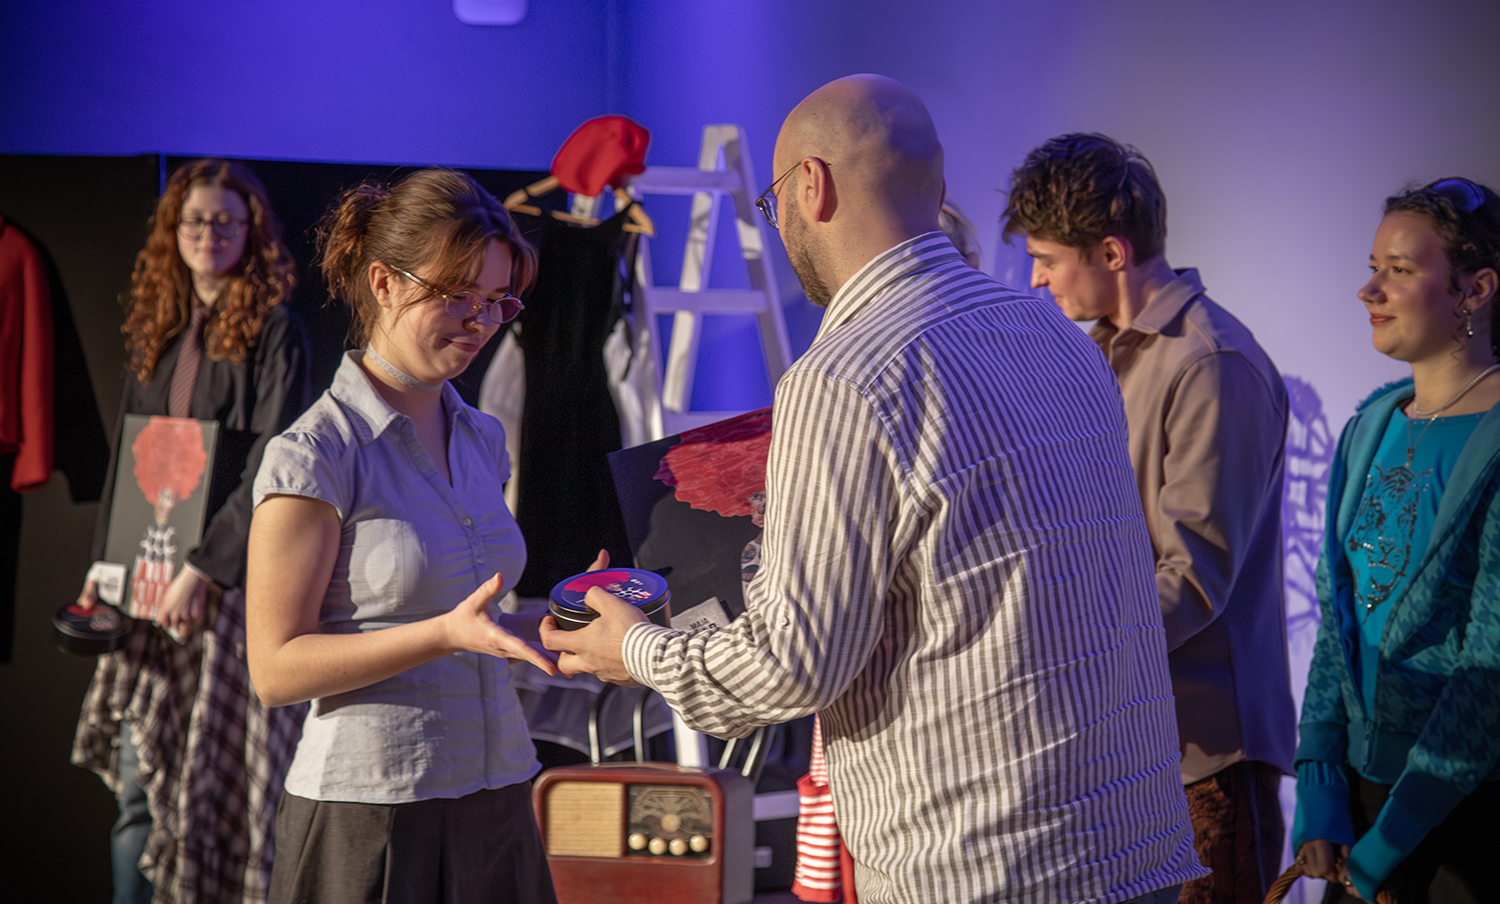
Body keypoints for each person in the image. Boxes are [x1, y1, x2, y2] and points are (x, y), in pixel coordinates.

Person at [543, 74, 1207, 904]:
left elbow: (791, 665)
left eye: (772, 204)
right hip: (1129, 843)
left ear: (811, 186)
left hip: (981, 868)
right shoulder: (1060, 338)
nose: (780, 226)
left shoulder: (843, 378)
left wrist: (635, 648)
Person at [246, 168, 583, 904]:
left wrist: (553, 627)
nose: (480, 321)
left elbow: (471, 618)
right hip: (372, 807)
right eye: (457, 294)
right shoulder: (316, 454)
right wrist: (443, 635)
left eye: (497, 300)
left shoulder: (483, 438)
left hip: (498, 791)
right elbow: (274, 670)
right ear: (383, 283)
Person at [1003, 133, 1296, 904]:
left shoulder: (1211, 362)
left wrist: (1066, 655)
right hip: (1129, 742)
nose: (1035, 279)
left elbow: (1193, 577)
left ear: (1110, 251)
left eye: (1047, 259)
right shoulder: (1098, 356)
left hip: (1207, 759)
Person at [73, 159, 311, 904]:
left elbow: (273, 463)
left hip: (223, 593)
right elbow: (129, 458)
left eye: (225, 221)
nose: (209, 233)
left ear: (251, 233)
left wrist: (205, 570)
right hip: (146, 585)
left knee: (209, 791)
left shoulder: (276, 332)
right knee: (139, 786)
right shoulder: (160, 329)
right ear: (172, 232)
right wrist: (105, 569)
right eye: (195, 221)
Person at [1291, 177, 1500, 904]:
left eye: (1400, 270)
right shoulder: (1369, 427)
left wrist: (1395, 834)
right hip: (1361, 806)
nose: (1369, 290)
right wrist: (1320, 777)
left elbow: (1489, 669)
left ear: (1475, 290)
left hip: (1466, 819)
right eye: (1374, 267)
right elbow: (1337, 620)